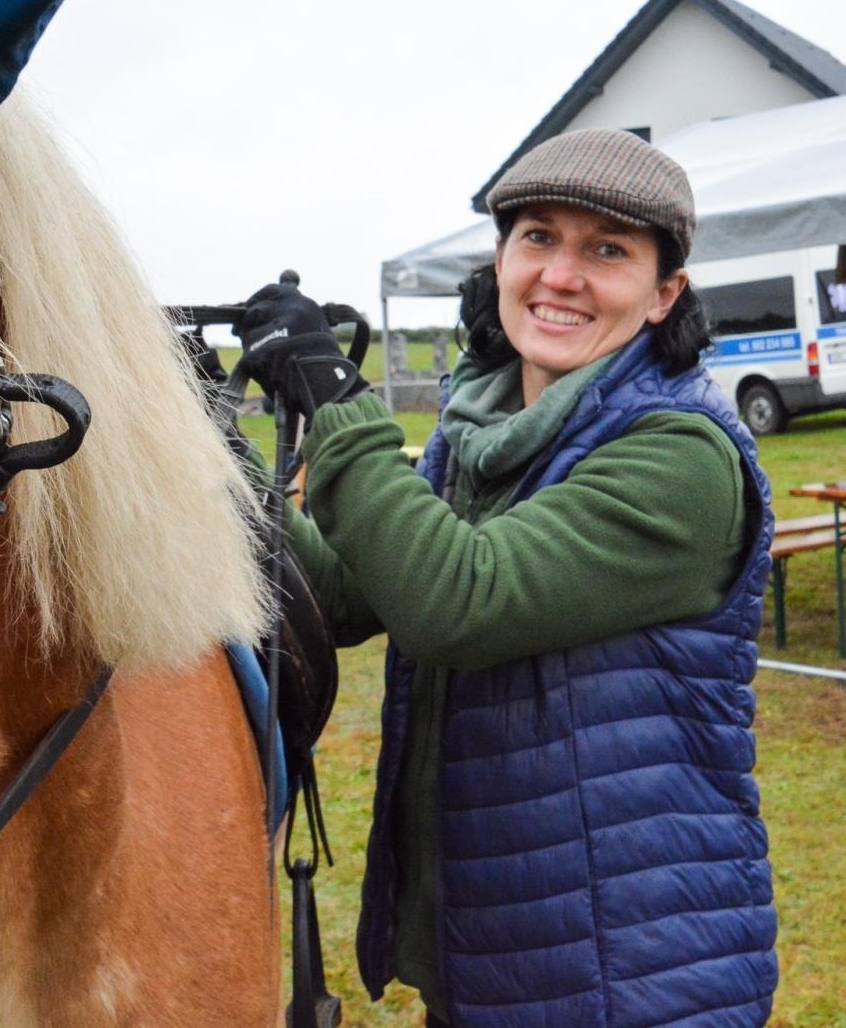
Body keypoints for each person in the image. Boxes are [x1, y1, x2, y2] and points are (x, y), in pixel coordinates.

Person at [234, 128, 778, 1027]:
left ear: (663, 292)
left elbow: (457, 600)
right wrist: (205, 449)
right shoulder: (476, 433)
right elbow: (338, 594)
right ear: (500, 258)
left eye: (607, 250)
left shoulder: (682, 455)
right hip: (500, 953)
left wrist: (336, 397)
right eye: (539, 237)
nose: (561, 275)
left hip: (629, 971)